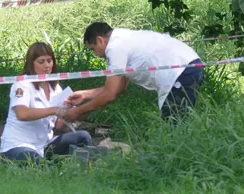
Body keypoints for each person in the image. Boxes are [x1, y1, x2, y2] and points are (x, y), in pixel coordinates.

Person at [64, 22, 204, 122]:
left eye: (93, 49)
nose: (96, 54)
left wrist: (78, 111)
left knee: (174, 124)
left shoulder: (115, 48)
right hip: (189, 65)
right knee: (180, 121)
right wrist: (84, 94)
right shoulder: (124, 39)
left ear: (100, 40)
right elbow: (118, 87)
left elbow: (109, 95)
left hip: (179, 71)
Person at [0, 42, 93, 163]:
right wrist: (54, 110)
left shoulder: (55, 87)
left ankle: (81, 173)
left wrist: (70, 111)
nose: (47, 66)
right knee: (36, 163)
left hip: (44, 145)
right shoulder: (22, 84)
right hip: (18, 145)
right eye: (41, 62)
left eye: (49, 61)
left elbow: (58, 126)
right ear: (31, 63)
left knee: (83, 137)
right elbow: (21, 114)